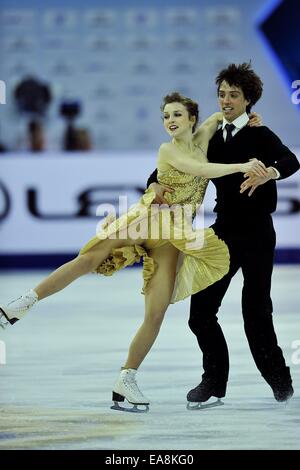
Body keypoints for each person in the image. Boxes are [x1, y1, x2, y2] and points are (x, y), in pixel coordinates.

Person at [0, 92, 266, 412]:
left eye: (177, 115)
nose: (170, 120)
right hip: (146, 220)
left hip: (173, 238)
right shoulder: (167, 149)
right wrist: (242, 164)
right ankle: (21, 304)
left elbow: (226, 112)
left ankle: (126, 379)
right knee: (89, 259)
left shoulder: (205, 131)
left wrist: (250, 118)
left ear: (192, 119)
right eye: (166, 116)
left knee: (156, 313)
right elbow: (200, 169)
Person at [147, 64, 300, 408]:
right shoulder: (211, 138)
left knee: (256, 313)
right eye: (222, 94)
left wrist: (269, 174)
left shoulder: (261, 134)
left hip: (259, 233)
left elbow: (291, 160)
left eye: (234, 94)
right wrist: (154, 183)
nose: (226, 100)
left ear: (248, 100)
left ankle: (280, 382)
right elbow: (170, 167)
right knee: (200, 313)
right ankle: (214, 382)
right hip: (223, 233)